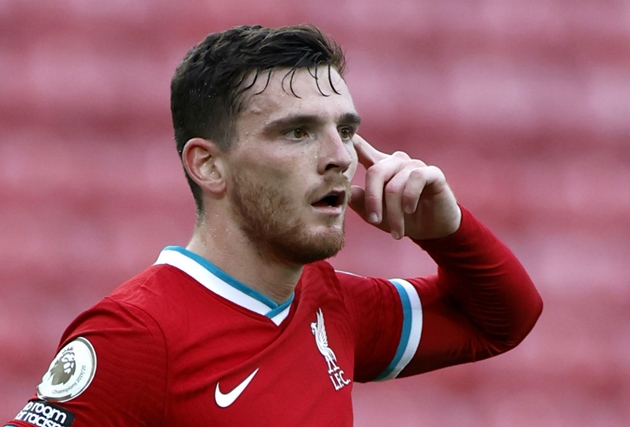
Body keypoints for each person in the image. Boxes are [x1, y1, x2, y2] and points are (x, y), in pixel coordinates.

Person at [5, 23, 543, 427]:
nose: (340, 157)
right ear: (208, 166)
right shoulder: (135, 337)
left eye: (345, 130)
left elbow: (500, 321)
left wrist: (447, 232)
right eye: (297, 132)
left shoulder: (330, 303)